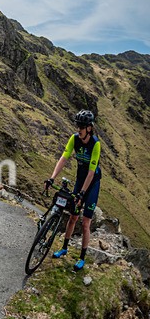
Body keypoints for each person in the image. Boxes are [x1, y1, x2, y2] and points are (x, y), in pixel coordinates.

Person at [45, 110, 102, 271]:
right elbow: (64, 157)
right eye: (78, 126)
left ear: (89, 128)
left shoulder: (95, 144)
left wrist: (82, 193)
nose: (79, 129)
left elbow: (91, 172)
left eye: (82, 127)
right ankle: (64, 248)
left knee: (85, 223)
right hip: (79, 180)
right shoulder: (74, 139)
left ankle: (82, 257)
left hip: (92, 184)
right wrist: (52, 177)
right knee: (72, 217)